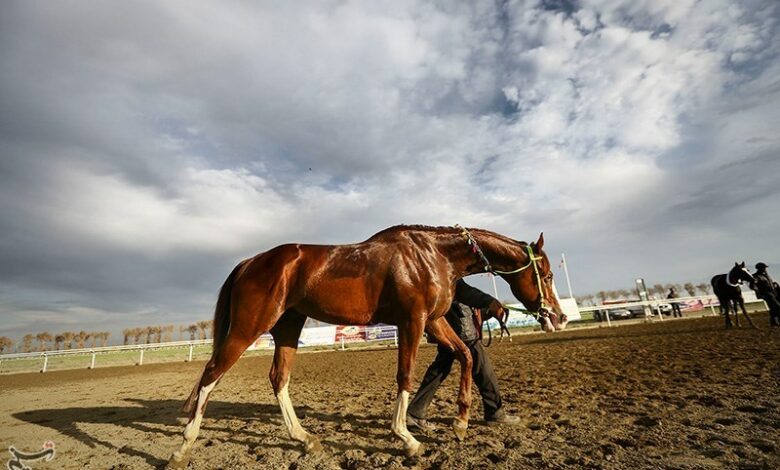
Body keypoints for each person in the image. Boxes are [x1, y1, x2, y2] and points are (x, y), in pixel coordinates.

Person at [406, 279, 521, 430]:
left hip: (455, 331)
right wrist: (489, 302)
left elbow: (468, 303)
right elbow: (465, 296)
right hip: (463, 333)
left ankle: (415, 413)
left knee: (439, 371)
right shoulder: (450, 278)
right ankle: (495, 413)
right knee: (484, 371)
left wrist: (488, 310)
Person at [752, 262, 780, 327]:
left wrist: (774, 284)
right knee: (777, 306)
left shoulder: (766, 275)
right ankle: (775, 321)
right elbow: (754, 284)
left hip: (773, 292)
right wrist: (756, 289)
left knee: (773, 308)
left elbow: (769, 283)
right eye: (764, 268)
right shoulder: (756, 276)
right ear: (759, 268)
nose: (765, 269)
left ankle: (774, 322)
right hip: (766, 294)